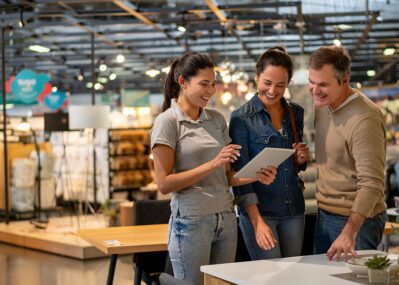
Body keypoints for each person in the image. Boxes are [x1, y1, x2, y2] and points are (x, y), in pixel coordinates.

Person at [150, 52, 276, 285]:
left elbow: (227, 177)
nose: (210, 91)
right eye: (204, 84)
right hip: (190, 222)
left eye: (213, 84)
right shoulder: (167, 122)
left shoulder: (217, 119)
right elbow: (164, 184)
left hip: (226, 219)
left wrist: (255, 175)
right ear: (183, 82)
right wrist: (213, 163)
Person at [229, 46, 309, 260]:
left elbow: (294, 164)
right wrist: (257, 222)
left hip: (294, 209)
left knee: (293, 275)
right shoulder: (241, 119)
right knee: (269, 277)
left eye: (280, 85)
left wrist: (300, 159)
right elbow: (240, 178)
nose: (273, 90)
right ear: (257, 77)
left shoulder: (295, 113)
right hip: (260, 212)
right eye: (267, 83)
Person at [309, 46, 387, 261]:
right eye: (312, 82)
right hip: (324, 215)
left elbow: (371, 184)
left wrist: (348, 233)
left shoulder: (365, 119)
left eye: (323, 84)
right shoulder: (323, 107)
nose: (315, 90)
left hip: (357, 223)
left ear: (344, 80)